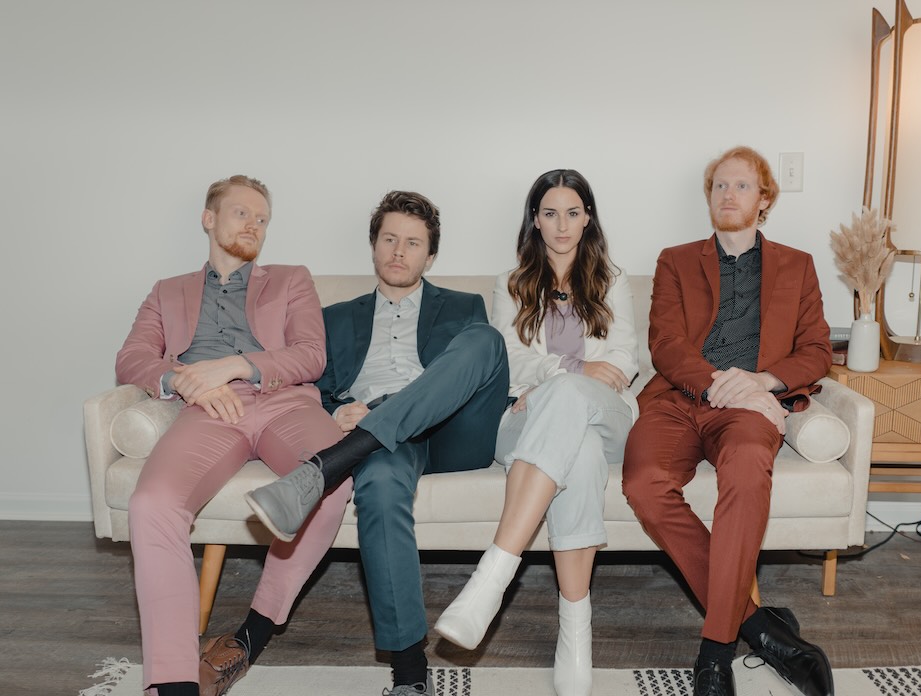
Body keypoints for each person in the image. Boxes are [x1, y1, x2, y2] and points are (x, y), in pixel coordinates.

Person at [245, 190, 510, 696]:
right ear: (373, 245)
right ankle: (410, 675)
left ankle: (327, 467)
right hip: (380, 442)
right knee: (381, 486)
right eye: (389, 238)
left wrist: (384, 408)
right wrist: (334, 410)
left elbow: (475, 375)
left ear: (430, 256)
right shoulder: (335, 316)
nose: (399, 251)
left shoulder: (464, 305)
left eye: (413, 243)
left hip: (454, 431)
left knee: (486, 340)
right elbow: (310, 389)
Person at [115, 175, 355, 696]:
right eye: (242, 213)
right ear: (209, 218)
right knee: (152, 504)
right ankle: (176, 681)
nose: (254, 225)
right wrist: (182, 379)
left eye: (263, 219)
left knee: (331, 477)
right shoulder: (167, 291)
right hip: (208, 411)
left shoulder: (292, 279)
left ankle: (256, 629)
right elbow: (131, 358)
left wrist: (236, 365)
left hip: (284, 402)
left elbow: (311, 354)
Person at [621, 147, 835, 696]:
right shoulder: (675, 259)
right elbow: (665, 344)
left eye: (741, 186)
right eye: (719, 185)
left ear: (764, 199)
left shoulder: (797, 264)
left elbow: (816, 351)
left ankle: (716, 650)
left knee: (745, 469)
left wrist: (761, 382)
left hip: (749, 406)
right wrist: (716, 381)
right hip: (678, 397)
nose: (728, 195)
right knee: (644, 484)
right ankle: (759, 629)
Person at [434, 169, 639, 696]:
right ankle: (576, 630)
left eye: (573, 212)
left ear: (588, 217)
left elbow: (623, 360)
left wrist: (556, 380)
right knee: (581, 448)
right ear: (535, 219)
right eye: (550, 212)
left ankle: (492, 576)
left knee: (572, 402)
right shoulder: (511, 283)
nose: (562, 224)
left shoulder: (613, 280)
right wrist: (562, 376)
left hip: (608, 414)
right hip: (524, 420)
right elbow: (510, 358)